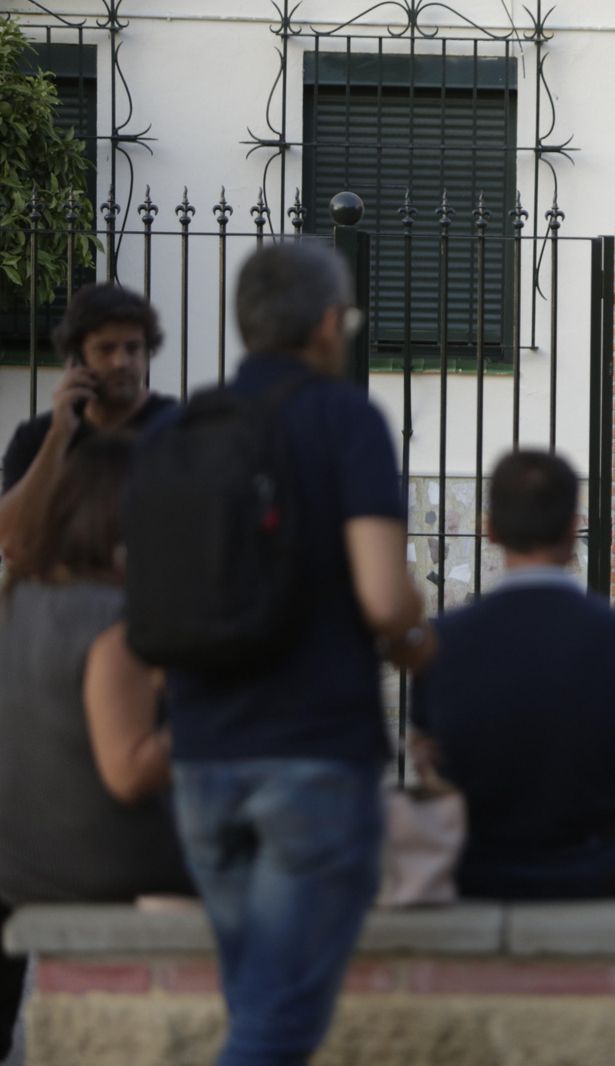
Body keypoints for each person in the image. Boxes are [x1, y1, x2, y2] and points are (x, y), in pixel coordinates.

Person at [158, 242, 432, 1066]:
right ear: (326, 324)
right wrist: (415, 627)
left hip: (201, 758)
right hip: (311, 759)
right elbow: (385, 599)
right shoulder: (346, 420)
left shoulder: (178, 429)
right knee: (276, 1025)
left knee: (257, 998)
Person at [0, 434, 192, 1061]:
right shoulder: (114, 621)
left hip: (18, 857)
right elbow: (129, 771)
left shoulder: (17, 602)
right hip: (101, 862)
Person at [411, 450, 615, 900]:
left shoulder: (442, 642)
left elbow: (428, 760)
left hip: (476, 874)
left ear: (490, 530)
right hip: (595, 868)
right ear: (573, 528)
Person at [0, 283, 173, 564]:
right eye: (105, 349)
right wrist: (59, 436)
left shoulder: (178, 430)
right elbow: (11, 541)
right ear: (77, 357)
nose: (121, 362)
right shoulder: (37, 437)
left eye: (133, 348)